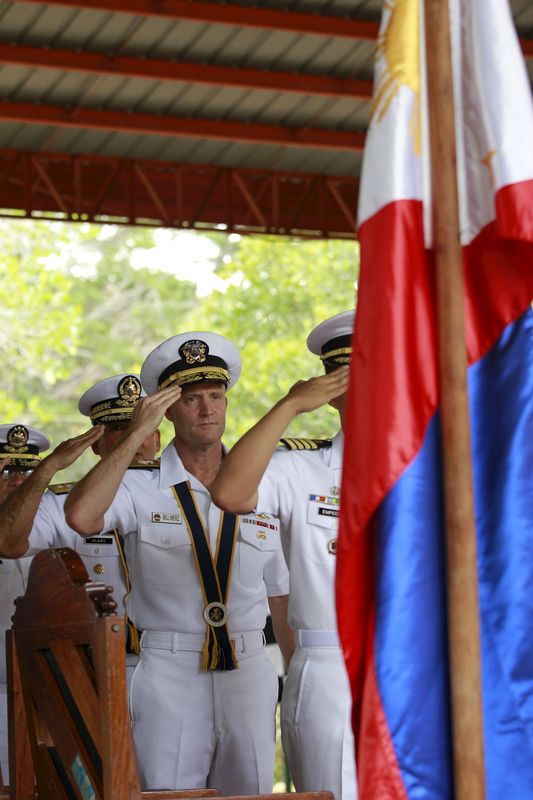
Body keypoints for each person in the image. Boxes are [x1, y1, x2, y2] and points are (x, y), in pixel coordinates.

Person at [65, 332, 293, 795]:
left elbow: (280, 592)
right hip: (170, 665)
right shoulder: (136, 484)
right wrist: (131, 435)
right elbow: (81, 516)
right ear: (167, 411)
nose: (208, 410)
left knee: (248, 790)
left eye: (215, 397)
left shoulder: (264, 484)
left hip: (248, 664)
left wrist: (295, 671)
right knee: (168, 792)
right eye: (191, 400)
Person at [210, 310, 356, 800]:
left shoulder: (436, 463)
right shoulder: (301, 468)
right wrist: (289, 406)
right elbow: (230, 492)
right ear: (333, 392)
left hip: (421, 661)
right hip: (332, 660)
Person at [0, 375, 161, 680]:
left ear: (157, 439)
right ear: (95, 445)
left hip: (175, 662)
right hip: (91, 668)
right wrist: (47, 467)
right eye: (119, 430)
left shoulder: (187, 499)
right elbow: (8, 541)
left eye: (142, 428)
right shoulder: (62, 504)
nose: (134, 440)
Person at [0, 425, 52, 782]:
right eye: (7, 470)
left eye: (27, 470)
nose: (18, 480)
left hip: (49, 691)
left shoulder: (54, 526)